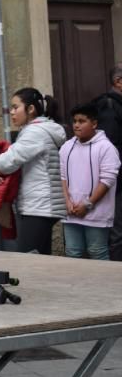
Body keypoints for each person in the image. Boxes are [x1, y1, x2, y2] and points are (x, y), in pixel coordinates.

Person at [0, 87, 66, 255]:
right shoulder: (37, 130)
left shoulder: (35, 133)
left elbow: (9, 160)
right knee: (41, 259)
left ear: (30, 109)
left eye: (16, 107)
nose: (12, 112)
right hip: (41, 205)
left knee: (29, 259)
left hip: (39, 206)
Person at [60, 102, 120, 260]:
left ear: (94, 123)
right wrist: (67, 201)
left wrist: (88, 204)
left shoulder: (106, 148)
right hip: (71, 211)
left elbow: (107, 180)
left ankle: (103, 285)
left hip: (96, 213)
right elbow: (63, 177)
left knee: (97, 252)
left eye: (82, 121)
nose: (77, 125)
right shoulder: (67, 147)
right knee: (72, 252)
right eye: (74, 121)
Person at [93, 63, 122, 260]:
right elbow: (110, 147)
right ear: (119, 82)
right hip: (117, 182)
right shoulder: (108, 107)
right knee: (118, 232)